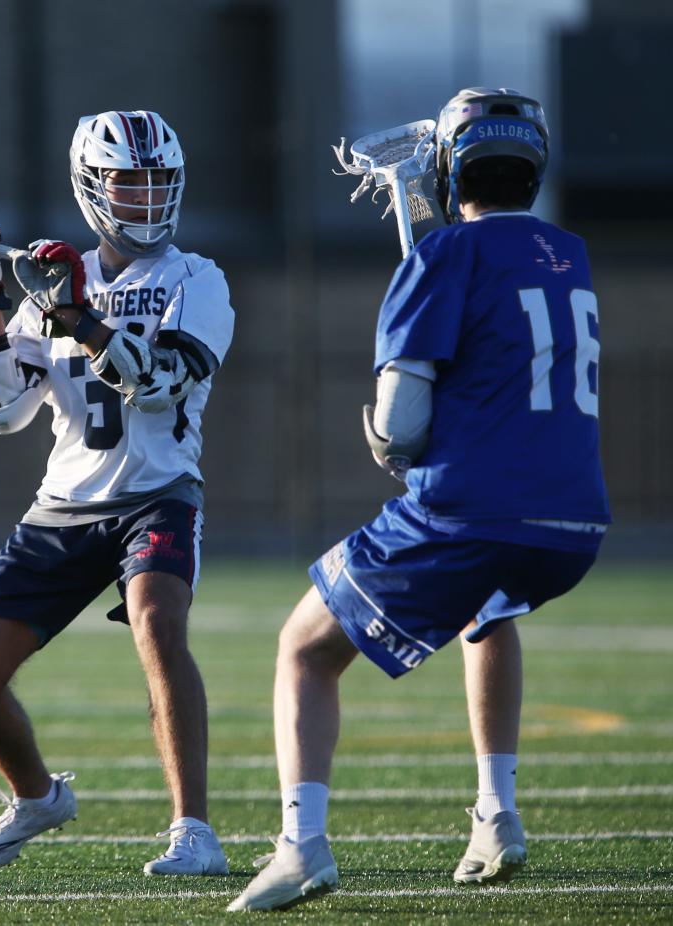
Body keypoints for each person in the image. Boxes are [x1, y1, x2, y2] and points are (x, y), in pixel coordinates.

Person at [228, 87, 610, 912]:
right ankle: (497, 816)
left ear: (450, 166)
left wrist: (386, 440)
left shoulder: (436, 260)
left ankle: (301, 845)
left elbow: (402, 424)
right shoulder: (569, 253)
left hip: (472, 510)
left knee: (305, 646)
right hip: (576, 521)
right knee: (492, 612)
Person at [0, 110, 234, 877]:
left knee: (158, 623)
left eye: (157, 182)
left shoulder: (195, 278)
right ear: (91, 187)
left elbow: (163, 382)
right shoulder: (50, 283)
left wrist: (80, 316)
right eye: (128, 183)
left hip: (158, 493)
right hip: (65, 503)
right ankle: (37, 797)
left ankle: (193, 831)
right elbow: (2, 413)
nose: (145, 199)